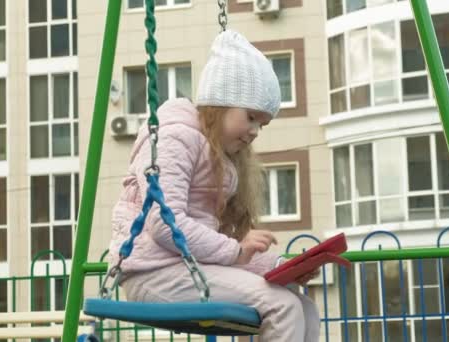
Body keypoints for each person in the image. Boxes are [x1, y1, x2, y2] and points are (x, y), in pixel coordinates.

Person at [108, 30, 320, 341]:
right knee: (282, 306)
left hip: (185, 268)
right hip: (153, 271)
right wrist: (237, 250)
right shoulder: (174, 137)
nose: (255, 131)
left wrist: (280, 265)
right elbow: (165, 224)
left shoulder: (219, 158)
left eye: (262, 124)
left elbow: (207, 238)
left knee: (304, 306)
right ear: (220, 103)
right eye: (250, 117)